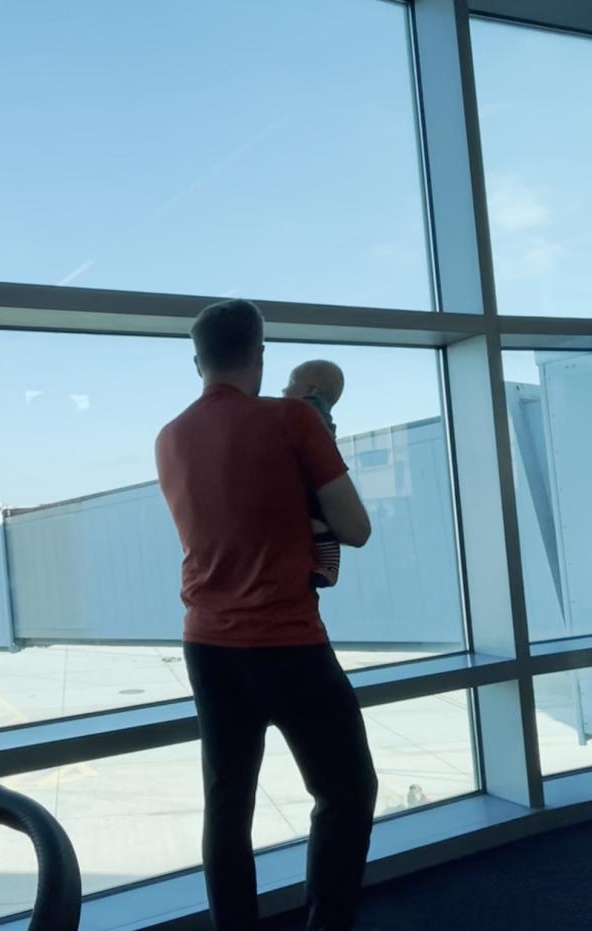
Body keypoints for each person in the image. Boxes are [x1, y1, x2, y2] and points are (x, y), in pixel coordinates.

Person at [154, 300, 377, 931]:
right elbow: (355, 530)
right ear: (259, 354)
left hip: (207, 645)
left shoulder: (168, 437)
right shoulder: (292, 422)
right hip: (286, 642)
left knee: (227, 806)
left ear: (199, 362)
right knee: (346, 791)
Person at [282, 360, 346, 589]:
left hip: (311, 477)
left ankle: (329, 567)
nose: (283, 391)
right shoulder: (317, 412)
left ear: (311, 390)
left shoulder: (305, 410)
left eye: (290, 384)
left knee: (318, 522)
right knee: (318, 522)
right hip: (318, 475)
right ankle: (328, 566)